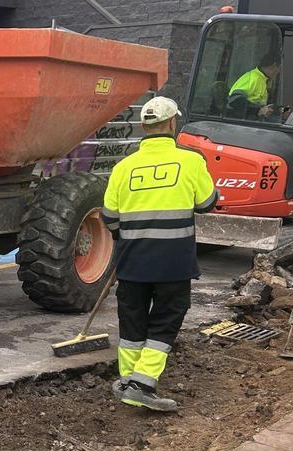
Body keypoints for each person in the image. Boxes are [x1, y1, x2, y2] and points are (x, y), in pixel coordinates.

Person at [101, 97, 218, 411]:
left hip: (132, 261)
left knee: (132, 322)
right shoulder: (191, 162)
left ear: (143, 126)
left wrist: (129, 238)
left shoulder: (122, 168)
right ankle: (142, 383)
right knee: (166, 320)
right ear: (172, 124)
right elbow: (207, 203)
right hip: (172, 262)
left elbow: (110, 217)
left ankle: (128, 382)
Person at [228, 53, 280, 120]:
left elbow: (259, 104)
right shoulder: (252, 78)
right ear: (274, 65)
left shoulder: (262, 80)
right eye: (279, 68)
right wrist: (258, 110)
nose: (278, 72)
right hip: (239, 121)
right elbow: (235, 100)